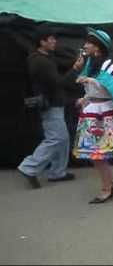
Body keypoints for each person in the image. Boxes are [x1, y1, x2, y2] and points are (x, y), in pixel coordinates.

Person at [72, 28, 113, 204]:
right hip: (92, 110)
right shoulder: (89, 63)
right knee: (96, 154)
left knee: (98, 154)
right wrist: (85, 98)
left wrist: (90, 81)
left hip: (102, 113)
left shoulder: (107, 64)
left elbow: (112, 89)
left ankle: (108, 188)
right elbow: (91, 89)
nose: (85, 46)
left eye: (88, 43)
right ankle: (110, 183)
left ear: (98, 47)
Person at [18, 29, 84, 189]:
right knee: (55, 139)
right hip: (50, 105)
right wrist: (75, 69)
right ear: (42, 42)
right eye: (51, 39)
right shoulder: (40, 61)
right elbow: (59, 83)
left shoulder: (44, 58)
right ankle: (29, 167)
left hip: (54, 103)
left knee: (63, 139)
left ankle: (57, 172)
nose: (55, 42)